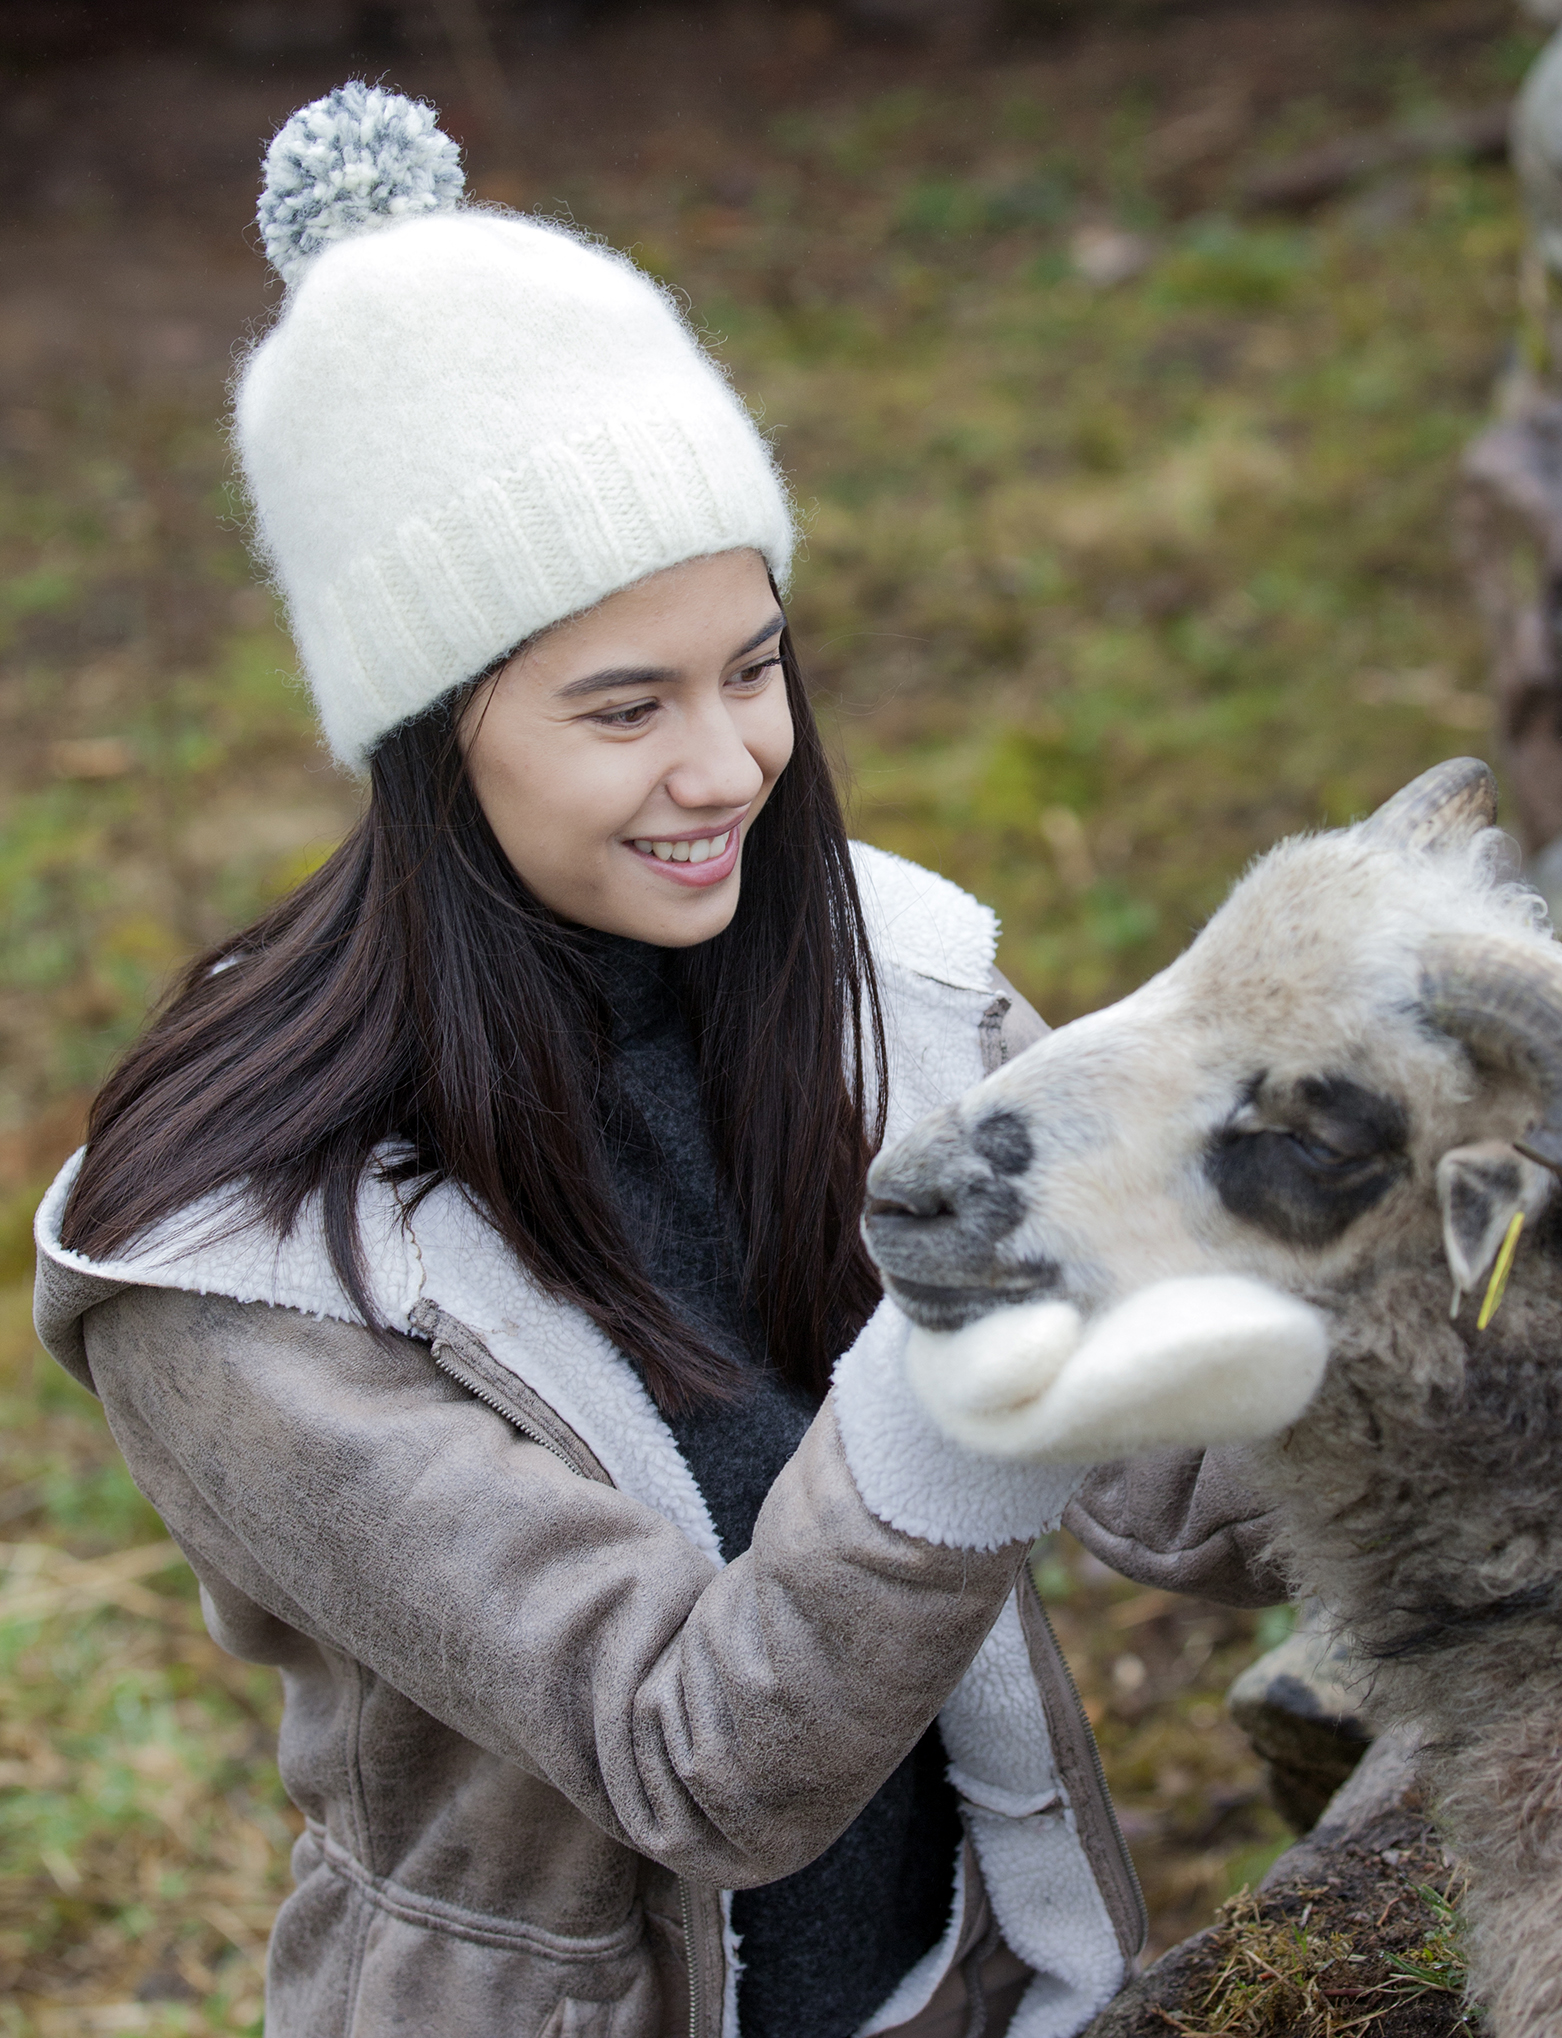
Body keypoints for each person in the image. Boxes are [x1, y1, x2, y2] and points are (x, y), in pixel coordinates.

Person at [30, 86, 1287, 2038]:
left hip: (963, 1981)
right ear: (429, 736)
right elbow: (703, 1759)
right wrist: (966, 1367)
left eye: (752, 663)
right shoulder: (240, 1261)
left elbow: (1191, 1470)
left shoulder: (889, 987)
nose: (725, 767)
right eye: (623, 706)